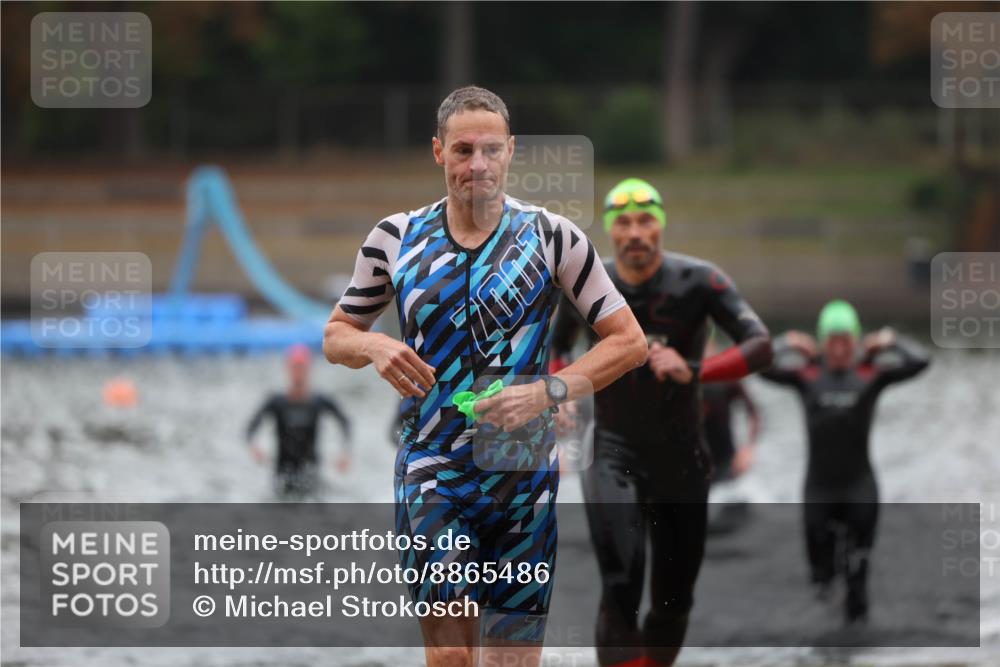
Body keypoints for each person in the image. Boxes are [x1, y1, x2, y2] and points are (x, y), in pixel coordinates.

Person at [323, 86, 647, 667]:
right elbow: (336, 335)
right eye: (463, 150)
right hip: (433, 469)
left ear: (511, 151)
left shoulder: (553, 237)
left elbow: (629, 342)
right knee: (452, 655)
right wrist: (374, 344)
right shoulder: (395, 238)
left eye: (491, 150)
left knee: (511, 662)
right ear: (438, 152)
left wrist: (550, 390)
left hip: (523, 477)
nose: (478, 164)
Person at [550, 177, 773, 667]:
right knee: (621, 583)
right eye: (624, 223)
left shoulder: (701, 282)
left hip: (682, 457)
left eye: (645, 221)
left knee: (674, 601)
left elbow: (760, 346)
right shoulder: (587, 283)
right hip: (612, 452)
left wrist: (694, 369)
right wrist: (560, 393)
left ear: (660, 226)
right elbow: (557, 346)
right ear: (612, 230)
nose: (635, 233)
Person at [760, 299, 930, 623]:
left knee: (857, 582)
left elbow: (921, 360)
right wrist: (787, 342)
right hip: (819, 491)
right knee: (821, 580)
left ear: (856, 341)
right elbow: (760, 366)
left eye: (846, 341)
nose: (839, 349)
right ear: (822, 341)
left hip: (860, 489)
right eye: (832, 341)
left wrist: (890, 340)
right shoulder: (806, 373)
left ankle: (857, 635)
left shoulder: (870, 372)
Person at [246, 344, 352, 498]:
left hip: (311, 477)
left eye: (302, 368)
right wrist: (254, 448)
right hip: (282, 478)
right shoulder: (276, 402)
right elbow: (250, 429)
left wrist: (344, 452)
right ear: (287, 369)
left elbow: (345, 422)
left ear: (309, 370)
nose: (298, 373)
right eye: (295, 368)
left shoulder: (319, 402)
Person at [701, 339, 761, 483]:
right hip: (695, 463)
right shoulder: (681, 382)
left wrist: (748, 449)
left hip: (728, 462)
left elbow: (753, 412)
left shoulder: (726, 380)